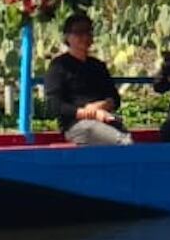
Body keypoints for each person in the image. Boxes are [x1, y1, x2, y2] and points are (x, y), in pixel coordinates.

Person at [43, 12, 130, 145]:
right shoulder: (59, 66)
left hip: (104, 119)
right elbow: (54, 105)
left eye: (88, 32)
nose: (85, 37)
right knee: (123, 142)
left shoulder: (98, 66)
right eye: (79, 32)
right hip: (77, 125)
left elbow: (115, 98)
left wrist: (102, 105)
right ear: (67, 37)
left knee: (125, 137)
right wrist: (89, 113)